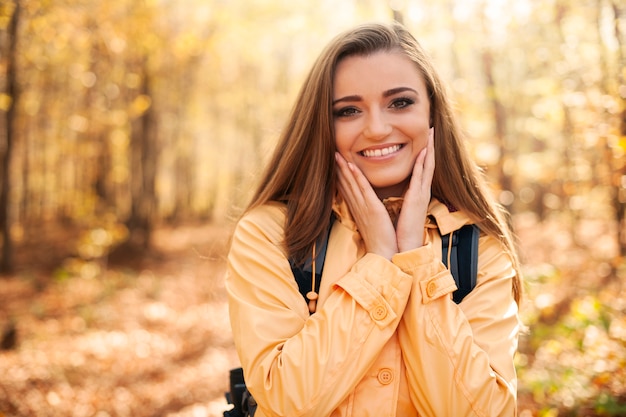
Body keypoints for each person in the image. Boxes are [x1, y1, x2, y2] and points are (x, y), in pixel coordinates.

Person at [226, 21, 522, 416]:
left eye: (400, 102)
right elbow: (286, 398)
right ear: (323, 125)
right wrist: (380, 260)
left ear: (433, 112)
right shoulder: (270, 235)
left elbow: (483, 411)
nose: (378, 128)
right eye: (348, 110)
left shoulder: (478, 247)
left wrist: (414, 258)